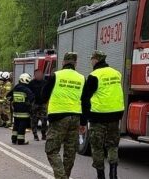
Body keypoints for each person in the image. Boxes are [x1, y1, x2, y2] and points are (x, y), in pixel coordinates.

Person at [81, 51, 124, 179]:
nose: (91, 62)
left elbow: (85, 98)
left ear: (96, 60)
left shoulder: (94, 75)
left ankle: (100, 175)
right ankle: (113, 174)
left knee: (97, 147)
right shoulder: (116, 73)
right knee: (112, 146)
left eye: (92, 59)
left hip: (98, 117)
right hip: (115, 116)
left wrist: (83, 121)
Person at [41, 52, 85, 179]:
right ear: (75, 63)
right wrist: (83, 122)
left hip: (58, 117)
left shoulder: (56, 75)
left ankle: (61, 177)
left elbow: (44, 94)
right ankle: (65, 175)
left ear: (63, 62)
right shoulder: (82, 78)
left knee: (51, 150)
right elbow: (85, 100)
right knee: (70, 152)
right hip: (76, 117)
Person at [7, 73, 35, 145]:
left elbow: (8, 96)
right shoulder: (26, 89)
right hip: (24, 112)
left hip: (16, 111)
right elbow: (32, 98)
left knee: (16, 125)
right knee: (22, 126)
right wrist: (28, 104)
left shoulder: (16, 87)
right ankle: (20, 141)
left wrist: (14, 101)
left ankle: (14, 139)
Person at [29, 69, 48, 141]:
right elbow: (28, 93)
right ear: (34, 75)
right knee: (34, 120)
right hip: (35, 104)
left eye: (40, 74)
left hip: (43, 104)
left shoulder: (45, 83)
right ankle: (35, 135)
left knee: (44, 120)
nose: (39, 75)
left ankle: (43, 134)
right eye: (37, 74)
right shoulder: (31, 83)